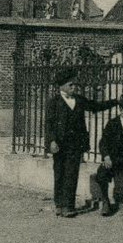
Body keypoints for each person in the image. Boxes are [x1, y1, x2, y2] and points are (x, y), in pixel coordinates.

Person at [45, 69, 117, 218]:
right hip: (59, 145)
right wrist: (51, 141)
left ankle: (68, 206)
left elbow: (96, 106)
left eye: (74, 85)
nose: (74, 88)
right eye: (71, 85)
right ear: (62, 86)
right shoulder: (53, 102)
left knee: (72, 173)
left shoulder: (79, 100)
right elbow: (49, 124)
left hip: (75, 144)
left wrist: (115, 102)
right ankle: (59, 203)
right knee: (59, 173)